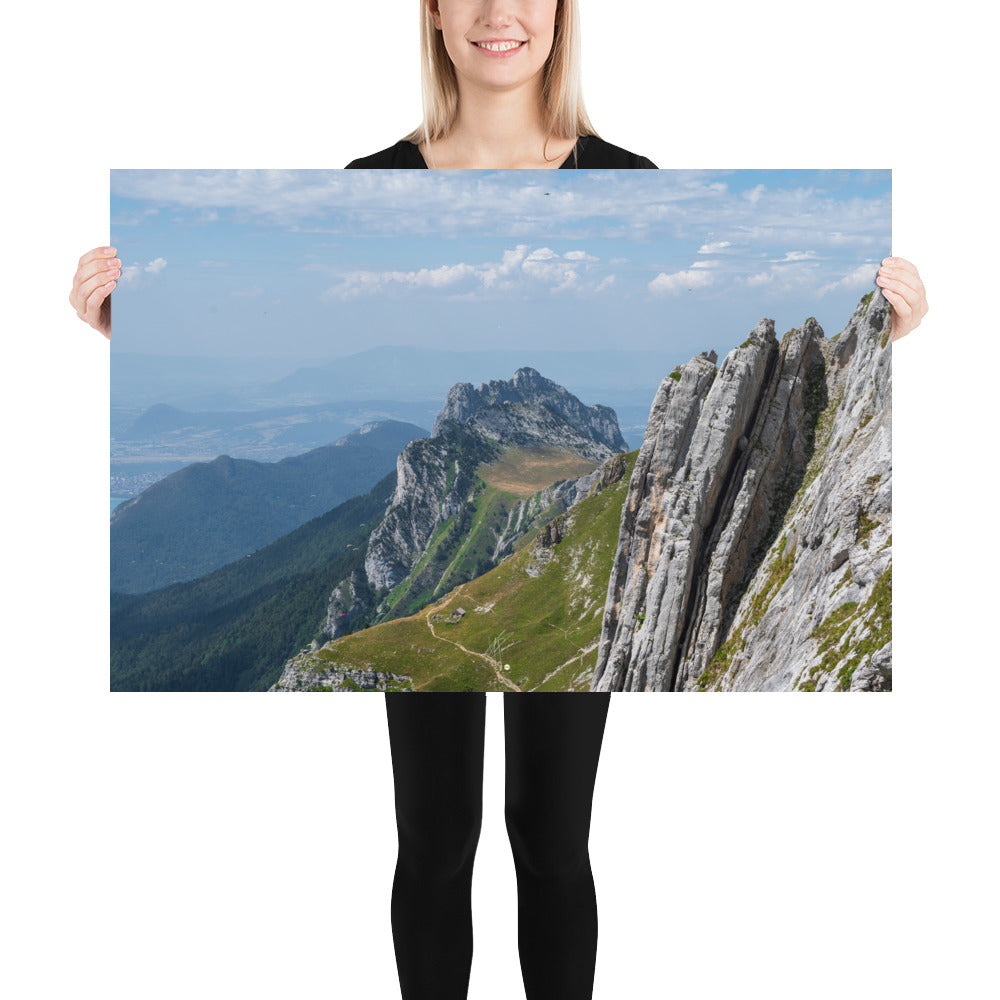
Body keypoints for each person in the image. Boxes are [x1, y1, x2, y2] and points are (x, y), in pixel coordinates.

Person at [69, 3, 928, 998]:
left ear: (563, 14)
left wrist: (881, 334)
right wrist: (125, 323)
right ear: (430, 15)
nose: (496, 14)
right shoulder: (371, 185)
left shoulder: (625, 183)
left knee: (552, 839)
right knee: (435, 841)